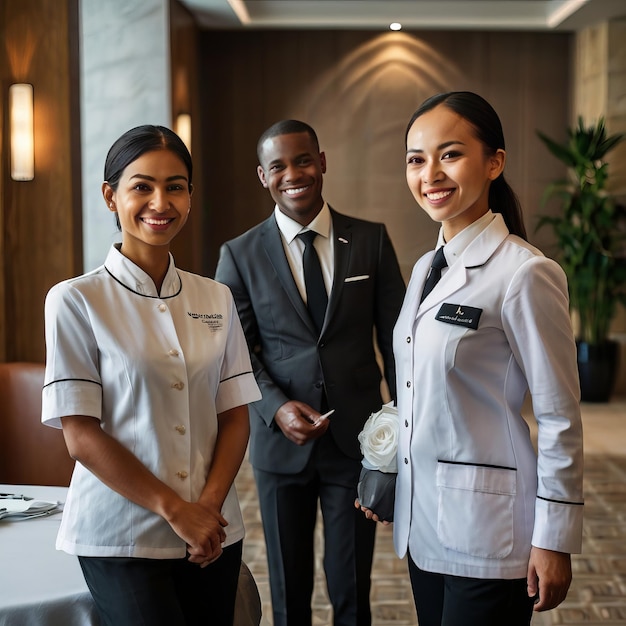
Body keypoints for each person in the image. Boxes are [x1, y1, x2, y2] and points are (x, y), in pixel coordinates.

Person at [357, 91, 584, 626]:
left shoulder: (525, 273)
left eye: (450, 154)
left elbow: (559, 417)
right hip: (425, 520)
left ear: (494, 162)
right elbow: (418, 386)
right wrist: (384, 461)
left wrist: (554, 538)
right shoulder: (423, 269)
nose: (430, 173)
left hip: (490, 526)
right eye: (416, 159)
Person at [41, 125, 261, 626]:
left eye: (175, 186)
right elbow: (79, 435)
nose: (160, 202)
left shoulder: (215, 297)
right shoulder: (75, 300)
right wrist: (175, 509)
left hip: (212, 532)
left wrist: (205, 509)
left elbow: (234, 416)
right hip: (120, 533)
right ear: (110, 197)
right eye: (141, 186)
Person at [214, 119, 406, 626]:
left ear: (322, 162)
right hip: (280, 447)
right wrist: (275, 409)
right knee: (289, 591)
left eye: (303, 160)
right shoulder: (238, 254)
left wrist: (402, 424)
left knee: (351, 590)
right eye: (278, 165)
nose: (292, 173)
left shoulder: (370, 240)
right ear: (263, 175)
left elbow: (399, 343)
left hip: (357, 439)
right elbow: (234, 351)